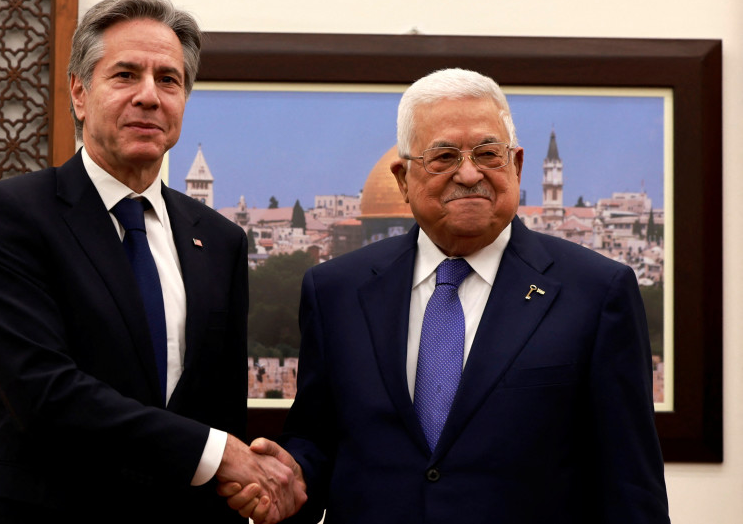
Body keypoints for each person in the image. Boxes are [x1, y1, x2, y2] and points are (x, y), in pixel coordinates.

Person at [228, 68, 670, 523]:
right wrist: (292, 482)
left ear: (516, 166)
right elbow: (318, 441)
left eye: (488, 153)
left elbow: (631, 486)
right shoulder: (337, 291)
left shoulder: (596, 293)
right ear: (403, 178)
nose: (470, 172)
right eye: (443, 157)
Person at [0, 0, 304, 524]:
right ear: (79, 92)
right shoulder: (13, 214)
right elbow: (43, 391)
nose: (149, 96)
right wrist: (219, 454)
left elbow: (218, 410)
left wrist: (245, 485)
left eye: (169, 80)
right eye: (126, 75)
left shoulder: (219, 240)